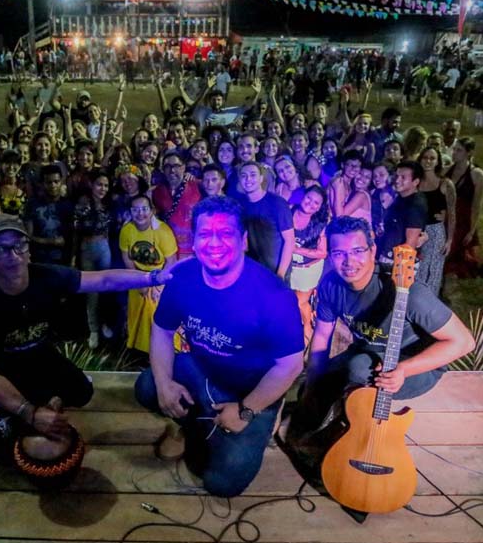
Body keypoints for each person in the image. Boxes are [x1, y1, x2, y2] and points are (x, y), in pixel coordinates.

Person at [0, 215, 172, 456]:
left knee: (82, 391)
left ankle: (47, 398)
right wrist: (29, 412)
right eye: (1, 249)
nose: (14, 255)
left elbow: (103, 279)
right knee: (4, 445)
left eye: (20, 245)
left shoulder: (46, 276)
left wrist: (155, 277)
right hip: (1, 370)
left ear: (29, 249)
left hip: (38, 355)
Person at [134, 196, 304, 497]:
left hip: (252, 392)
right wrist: (164, 384)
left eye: (225, 233)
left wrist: (246, 412)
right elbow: (162, 329)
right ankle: (187, 424)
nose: (214, 243)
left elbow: (290, 365)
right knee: (147, 386)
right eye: (205, 234)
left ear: (243, 241)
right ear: (195, 240)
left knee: (222, 484)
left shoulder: (273, 295)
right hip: (202, 372)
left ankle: (261, 422)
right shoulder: (183, 277)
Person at [291, 216, 474, 438]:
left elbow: (463, 342)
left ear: (372, 250)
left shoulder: (408, 291)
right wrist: (313, 382)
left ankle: (352, 435)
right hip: (367, 352)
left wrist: (405, 369)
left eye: (358, 251)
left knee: (357, 369)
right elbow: (321, 337)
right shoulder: (331, 285)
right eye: (340, 253)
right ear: (330, 254)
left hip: (415, 365)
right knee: (316, 383)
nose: (349, 262)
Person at [119, 194, 178, 353]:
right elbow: (127, 257)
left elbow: (171, 261)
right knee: (136, 316)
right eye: (135, 210)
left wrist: (159, 286)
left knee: (156, 318)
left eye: (144, 209)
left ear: (151, 210)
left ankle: (160, 352)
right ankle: (138, 351)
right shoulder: (127, 230)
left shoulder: (163, 232)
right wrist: (138, 281)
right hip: (137, 277)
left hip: (159, 277)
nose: (140, 213)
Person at [72, 170, 114, 348]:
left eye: (105, 185)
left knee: (107, 288)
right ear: (91, 185)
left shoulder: (108, 204)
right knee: (91, 292)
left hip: (104, 248)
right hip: (86, 248)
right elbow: (75, 231)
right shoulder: (83, 203)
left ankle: (105, 322)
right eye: (99, 184)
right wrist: (74, 256)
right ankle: (93, 331)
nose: (102, 188)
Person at [235, 161, 295, 280]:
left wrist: (280, 274)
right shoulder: (240, 205)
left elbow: (289, 241)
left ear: (261, 178)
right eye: (244, 176)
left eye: (253, 175)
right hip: (254, 270)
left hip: (276, 271)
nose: (248, 179)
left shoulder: (277, 203)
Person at [290, 185, 329, 347]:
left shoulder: (320, 223)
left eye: (316, 203)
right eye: (309, 198)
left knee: (300, 302)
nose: (310, 204)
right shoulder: (288, 211)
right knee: (287, 299)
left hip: (307, 270)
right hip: (288, 266)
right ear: (302, 196)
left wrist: (297, 249)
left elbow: (322, 253)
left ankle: (308, 330)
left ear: (320, 207)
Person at [416, 148, 456, 295]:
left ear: (438, 161)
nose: (428, 161)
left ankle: (430, 303)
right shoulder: (416, 182)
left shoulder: (445, 184)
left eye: (432, 158)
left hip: (435, 231)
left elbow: (452, 213)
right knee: (417, 268)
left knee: (433, 270)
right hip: (417, 230)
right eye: (425, 157)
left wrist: (449, 240)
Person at [445, 138, 483, 278]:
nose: (454, 153)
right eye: (454, 149)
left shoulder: (477, 175)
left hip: (462, 222)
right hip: (446, 219)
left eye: (459, 150)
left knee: (454, 260)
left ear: (469, 153)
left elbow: (477, 205)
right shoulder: (446, 170)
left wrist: (472, 230)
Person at [151, 150, 202, 261]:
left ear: (183, 167)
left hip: (193, 249)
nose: (172, 170)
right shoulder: (158, 192)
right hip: (169, 251)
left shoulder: (197, 186)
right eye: (167, 166)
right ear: (163, 170)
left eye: (176, 166)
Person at [376, 160, 427, 266]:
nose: (397, 180)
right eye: (397, 176)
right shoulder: (402, 197)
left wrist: (400, 275)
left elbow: (410, 245)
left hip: (396, 263)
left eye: (403, 177)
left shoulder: (414, 206)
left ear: (415, 182)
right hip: (388, 256)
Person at [24, 163, 73, 265]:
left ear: (61, 182)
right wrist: (51, 241)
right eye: (49, 182)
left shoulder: (68, 205)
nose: (53, 185)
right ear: (42, 184)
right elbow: (28, 237)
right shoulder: (32, 205)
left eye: (56, 181)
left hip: (63, 261)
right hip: (39, 260)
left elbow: (72, 237)